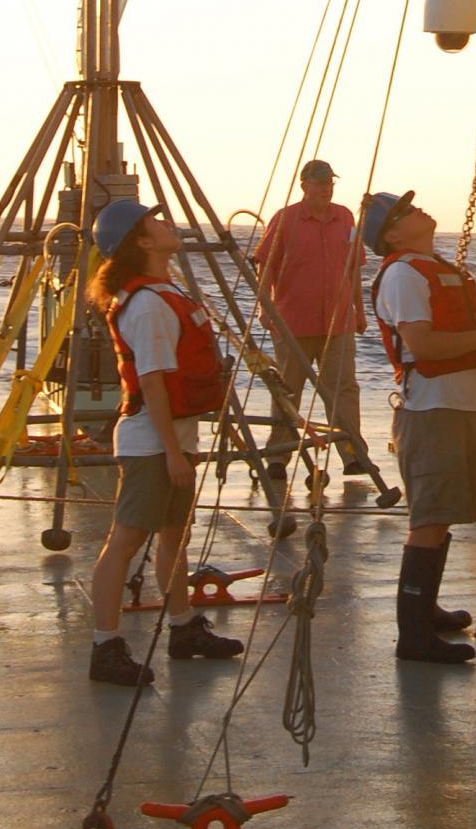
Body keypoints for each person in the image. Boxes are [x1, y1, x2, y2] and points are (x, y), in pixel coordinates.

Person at [363, 189, 476, 667]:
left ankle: (426, 608)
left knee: (441, 514)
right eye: (406, 211)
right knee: (430, 519)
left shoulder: (439, 270)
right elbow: (424, 345)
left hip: (457, 406)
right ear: (393, 233)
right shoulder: (402, 275)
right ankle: (413, 636)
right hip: (433, 409)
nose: (420, 210)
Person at [84, 200, 243, 686]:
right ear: (142, 241)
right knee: (127, 539)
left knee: (176, 534)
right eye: (155, 221)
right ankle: (105, 645)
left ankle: (183, 626)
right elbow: (152, 383)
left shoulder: (165, 291)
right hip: (151, 444)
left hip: (174, 437)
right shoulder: (150, 304)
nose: (166, 222)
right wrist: (173, 454)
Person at [254, 159, 369, 477]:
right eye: (320, 183)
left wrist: (360, 310)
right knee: (288, 389)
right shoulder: (285, 219)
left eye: (330, 183)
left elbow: (354, 268)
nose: (326, 189)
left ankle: (352, 454)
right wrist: (265, 306)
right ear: (304, 185)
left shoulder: (345, 216)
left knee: (343, 389)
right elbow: (265, 264)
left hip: (339, 320)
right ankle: (278, 456)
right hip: (294, 321)